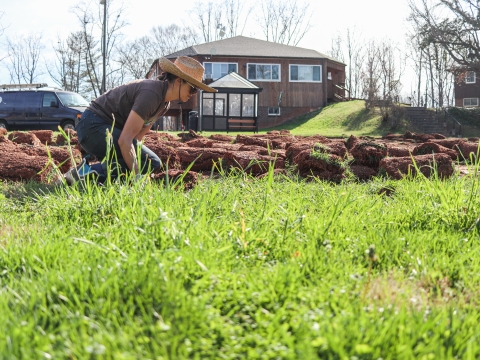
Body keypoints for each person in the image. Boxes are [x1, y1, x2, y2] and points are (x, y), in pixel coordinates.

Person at [61, 56, 217, 185]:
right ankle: (89, 172)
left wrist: (135, 166)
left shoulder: (164, 104)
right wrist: (137, 178)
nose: (194, 94)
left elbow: (136, 140)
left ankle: (91, 171)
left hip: (105, 130)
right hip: (92, 127)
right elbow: (125, 141)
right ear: (178, 81)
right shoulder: (151, 94)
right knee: (144, 161)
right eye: (193, 88)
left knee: (152, 162)